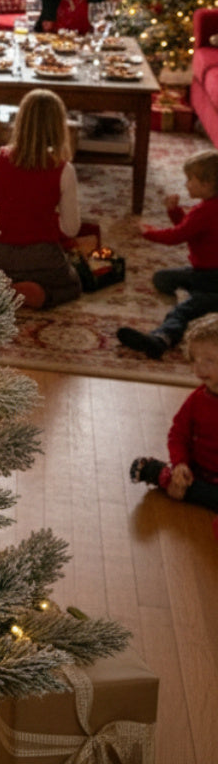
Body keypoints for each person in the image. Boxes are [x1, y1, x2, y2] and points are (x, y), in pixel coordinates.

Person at [0, 88, 82, 309]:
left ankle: (4, 286)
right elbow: (71, 229)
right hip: (41, 256)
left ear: (20, 122)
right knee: (73, 285)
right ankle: (36, 293)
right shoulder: (63, 170)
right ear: (60, 127)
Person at [117, 149, 218, 359]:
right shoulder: (206, 209)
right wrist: (174, 211)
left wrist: (148, 232)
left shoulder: (205, 212)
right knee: (162, 278)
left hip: (211, 280)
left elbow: (176, 236)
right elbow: (190, 229)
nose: (186, 184)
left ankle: (161, 339)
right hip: (204, 272)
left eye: (190, 179)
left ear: (207, 184)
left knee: (181, 312)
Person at [129, 312, 218, 510]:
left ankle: (162, 477)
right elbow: (178, 434)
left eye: (209, 361)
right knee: (186, 482)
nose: (198, 368)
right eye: (194, 360)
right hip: (197, 472)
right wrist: (180, 464)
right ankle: (168, 476)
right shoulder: (197, 399)